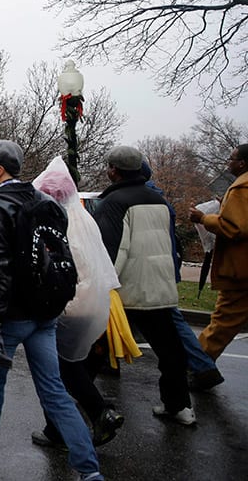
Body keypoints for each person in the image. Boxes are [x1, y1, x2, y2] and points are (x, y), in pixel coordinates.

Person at [0, 140, 103, 481]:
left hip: (8, 316)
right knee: (56, 392)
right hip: (45, 313)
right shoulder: (47, 203)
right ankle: (89, 472)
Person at [93, 145, 194, 426]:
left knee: (94, 346)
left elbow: (113, 249)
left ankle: (85, 404)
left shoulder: (113, 203)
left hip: (127, 288)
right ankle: (179, 405)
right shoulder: (159, 200)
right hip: (159, 286)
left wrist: (103, 285)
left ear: (114, 170)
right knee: (170, 350)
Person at [30, 157, 123, 448]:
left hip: (69, 305)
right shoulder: (84, 218)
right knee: (69, 369)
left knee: (55, 372)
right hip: (94, 303)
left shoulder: (56, 223)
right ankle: (61, 425)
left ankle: (96, 413)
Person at [141, 159, 224, 392]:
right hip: (163, 266)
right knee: (169, 319)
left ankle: (196, 370)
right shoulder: (160, 200)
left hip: (148, 270)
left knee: (169, 321)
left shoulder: (142, 200)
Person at [190, 143, 248, 363]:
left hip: (239, 269)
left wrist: (204, 218)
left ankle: (199, 365)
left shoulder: (241, 188)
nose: (228, 162)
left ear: (242, 163)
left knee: (223, 321)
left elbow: (235, 227)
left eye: (231, 158)